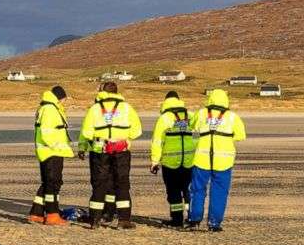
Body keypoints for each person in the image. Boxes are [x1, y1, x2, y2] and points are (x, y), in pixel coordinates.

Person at [78, 81, 142, 229]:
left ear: (102, 92)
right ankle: (124, 220)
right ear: (116, 92)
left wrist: (86, 145)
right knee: (122, 184)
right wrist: (124, 136)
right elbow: (137, 131)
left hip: (100, 150)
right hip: (121, 150)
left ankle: (95, 220)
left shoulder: (94, 109)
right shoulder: (126, 108)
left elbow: (86, 132)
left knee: (99, 184)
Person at [187, 89, 246, 232]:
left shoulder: (201, 113)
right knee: (219, 192)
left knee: (197, 190)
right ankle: (214, 223)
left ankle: (194, 220)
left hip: (201, 160)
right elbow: (240, 136)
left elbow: (192, 127)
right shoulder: (232, 117)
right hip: (223, 162)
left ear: (210, 100)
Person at [28, 86, 73, 226]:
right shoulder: (49, 109)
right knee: (53, 183)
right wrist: (56, 146)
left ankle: (37, 212)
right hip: (52, 151)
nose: (64, 102)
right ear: (60, 97)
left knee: (48, 183)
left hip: (49, 151)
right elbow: (47, 132)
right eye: (64, 99)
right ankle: (52, 215)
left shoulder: (47, 107)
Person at [150, 90, 195, 227]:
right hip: (189, 160)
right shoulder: (189, 116)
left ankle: (177, 220)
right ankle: (192, 216)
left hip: (170, 163)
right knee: (187, 190)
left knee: (174, 191)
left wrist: (154, 161)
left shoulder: (164, 118)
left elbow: (157, 141)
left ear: (165, 102)